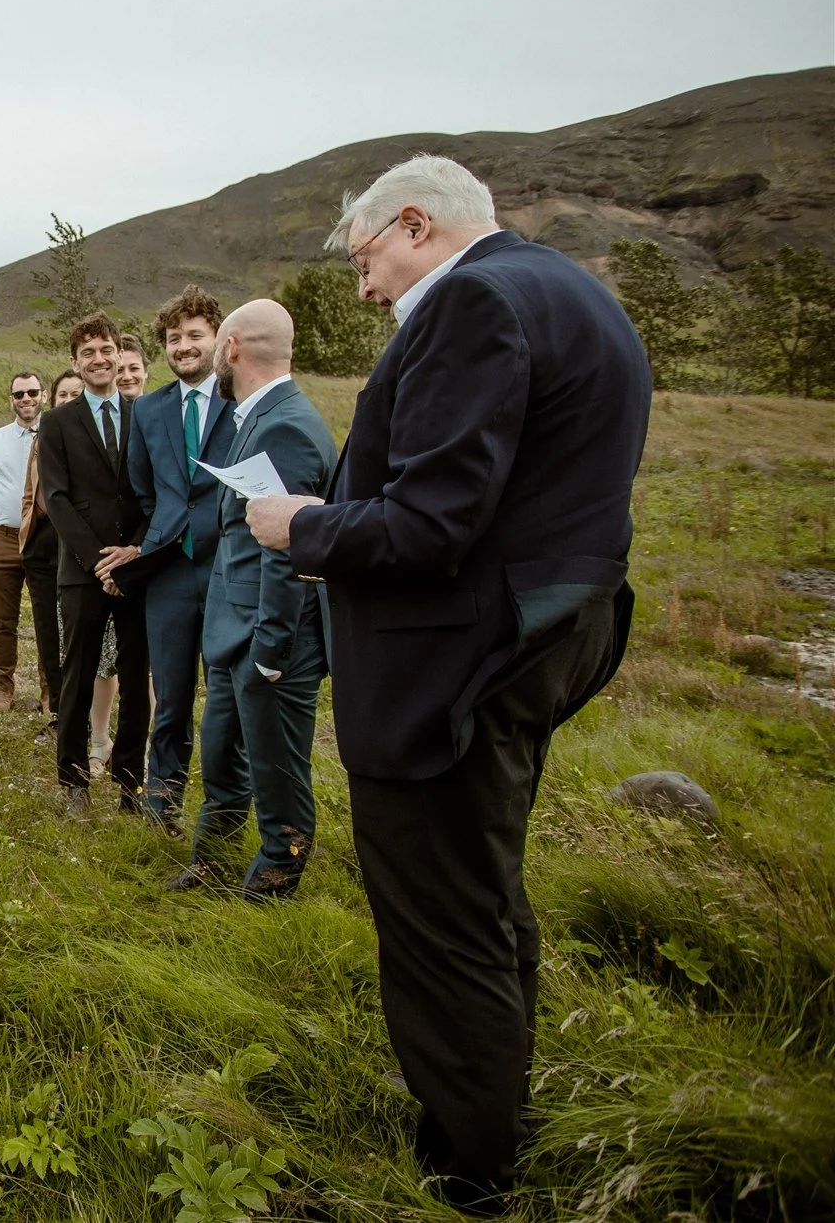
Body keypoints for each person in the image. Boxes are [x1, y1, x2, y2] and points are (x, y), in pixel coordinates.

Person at [246, 155, 650, 1212]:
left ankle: (466, 1163)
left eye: (365, 260)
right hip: (540, 639)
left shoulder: (470, 302)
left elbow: (427, 525)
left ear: (414, 224)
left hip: (451, 667)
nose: (365, 288)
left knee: (438, 914)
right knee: (482, 884)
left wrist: (303, 527)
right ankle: (479, 1088)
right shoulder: (569, 292)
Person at [172, 301, 333, 900]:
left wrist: (271, 650)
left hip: (271, 641)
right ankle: (212, 860)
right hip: (233, 635)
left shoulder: (285, 425)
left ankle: (276, 875)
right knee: (223, 760)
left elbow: (288, 547)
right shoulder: (256, 417)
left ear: (231, 347)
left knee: (276, 769)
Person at [108, 285, 236, 833]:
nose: (182, 346)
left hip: (230, 567)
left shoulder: (241, 402)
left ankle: (227, 811)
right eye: (173, 337)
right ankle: (162, 807)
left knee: (229, 698)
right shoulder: (150, 410)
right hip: (169, 572)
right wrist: (158, 535)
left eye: (193, 335)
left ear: (217, 338)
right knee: (173, 698)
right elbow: (143, 486)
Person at [38, 314, 151, 820]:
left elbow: (155, 492)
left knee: (133, 674)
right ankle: (74, 780)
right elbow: (57, 498)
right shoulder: (57, 422)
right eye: (88, 353)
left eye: (106, 349)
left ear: (117, 351)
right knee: (77, 675)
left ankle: (130, 784)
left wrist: (137, 551)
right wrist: (98, 560)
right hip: (83, 570)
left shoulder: (143, 414)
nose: (100, 360)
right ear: (75, 362)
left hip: (137, 565)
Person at [86, 333, 149, 772]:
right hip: (100, 560)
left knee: (144, 666)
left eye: (133, 368)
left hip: (148, 556)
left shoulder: (154, 417)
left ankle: (141, 748)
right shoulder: (96, 420)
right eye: (119, 367)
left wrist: (139, 549)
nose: (125, 375)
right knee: (103, 662)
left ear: (145, 372)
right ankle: (101, 738)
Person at [0, 371, 44, 710]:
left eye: (32, 392)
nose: (26, 399)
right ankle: (5, 688)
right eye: (19, 394)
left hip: (43, 537)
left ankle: (49, 690)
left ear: (42, 395)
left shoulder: (56, 434)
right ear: (11, 399)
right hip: (1, 538)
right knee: (3, 622)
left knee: (48, 619)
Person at [18, 369, 81, 734]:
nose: (68, 401)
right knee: (45, 629)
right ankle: (58, 712)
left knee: (73, 627)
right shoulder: (42, 437)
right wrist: (26, 536)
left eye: (77, 394)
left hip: (73, 541)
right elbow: (31, 490)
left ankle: (83, 712)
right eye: (63, 395)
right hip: (40, 539)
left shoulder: (93, 440)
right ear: (52, 400)